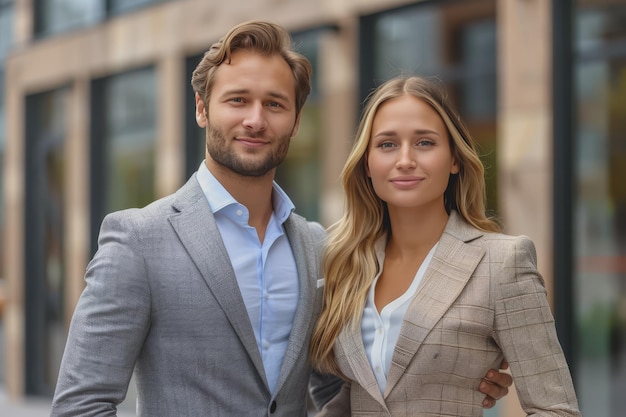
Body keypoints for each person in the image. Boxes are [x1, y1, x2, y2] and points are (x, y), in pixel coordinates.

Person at [50, 21, 511, 417]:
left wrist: (450, 370)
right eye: (238, 101)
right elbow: (81, 403)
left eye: (274, 104)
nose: (256, 119)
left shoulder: (316, 246)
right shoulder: (139, 238)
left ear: (294, 120)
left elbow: (339, 388)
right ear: (201, 109)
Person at [309, 75, 582, 416]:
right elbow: (351, 390)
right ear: (367, 163)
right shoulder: (342, 263)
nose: (405, 159)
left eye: (424, 143)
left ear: (454, 159)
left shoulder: (500, 263)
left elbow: (555, 408)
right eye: (387, 144)